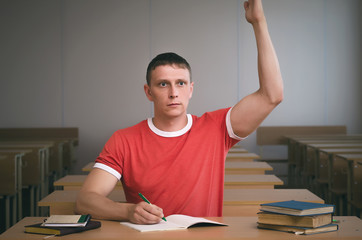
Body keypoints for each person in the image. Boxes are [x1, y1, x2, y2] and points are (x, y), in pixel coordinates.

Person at [75, 0, 283, 224]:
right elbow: (86, 200)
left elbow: (272, 95)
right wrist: (127, 211)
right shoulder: (123, 140)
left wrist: (258, 22)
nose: (174, 93)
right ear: (148, 92)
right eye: (163, 84)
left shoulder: (217, 127)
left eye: (181, 83)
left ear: (191, 89)